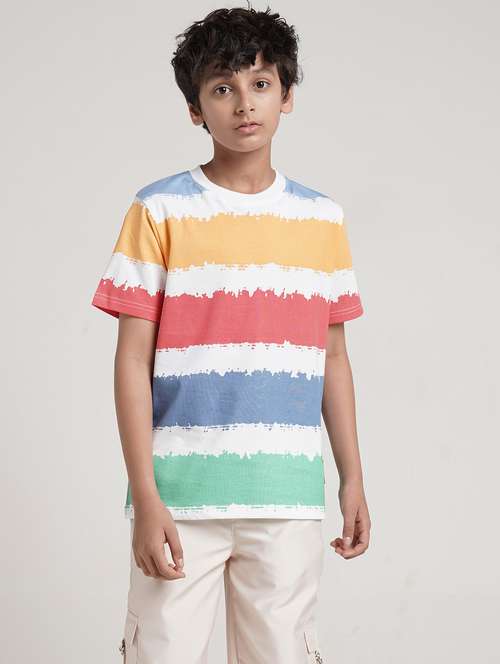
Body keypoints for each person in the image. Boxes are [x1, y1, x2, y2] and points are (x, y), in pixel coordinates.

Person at [91, 4, 371, 663]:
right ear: (196, 109)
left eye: (261, 83)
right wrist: (146, 497)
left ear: (287, 95)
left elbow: (332, 357)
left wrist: (352, 477)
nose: (244, 103)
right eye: (222, 88)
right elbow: (131, 361)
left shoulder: (322, 220)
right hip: (179, 497)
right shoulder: (159, 209)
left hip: (286, 496)